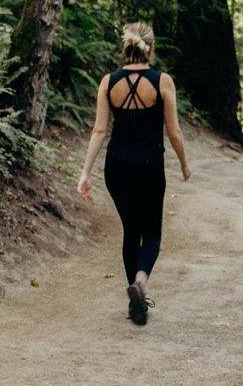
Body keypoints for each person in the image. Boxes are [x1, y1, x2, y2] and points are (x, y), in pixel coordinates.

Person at [77, 22, 191, 325]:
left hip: (116, 168)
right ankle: (140, 283)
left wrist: (85, 172)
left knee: (131, 231)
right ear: (150, 48)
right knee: (151, 232)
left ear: (125, 48)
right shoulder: (162, 81)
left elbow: (100, 130)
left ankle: (135, 306)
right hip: (149, 167)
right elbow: (174, 131)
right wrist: (183, 163)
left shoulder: (108, 82)